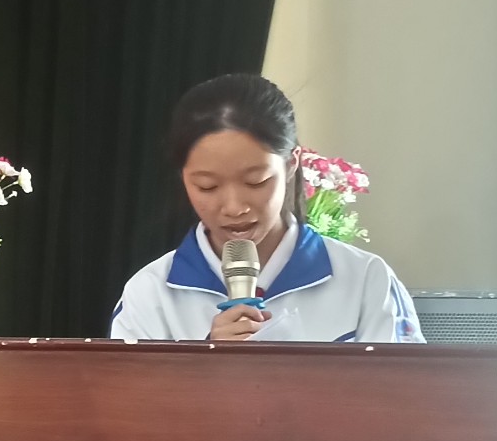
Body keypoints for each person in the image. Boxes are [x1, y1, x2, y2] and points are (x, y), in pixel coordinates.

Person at [109, 74, 422, 343]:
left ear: (291, 164)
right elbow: (124, 395)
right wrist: (204, 364)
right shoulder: (151, 293)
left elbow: (407, 391)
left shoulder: (365, 280)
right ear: (183, 178)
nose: (234, 208)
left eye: (256, 181)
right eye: (208, 186)